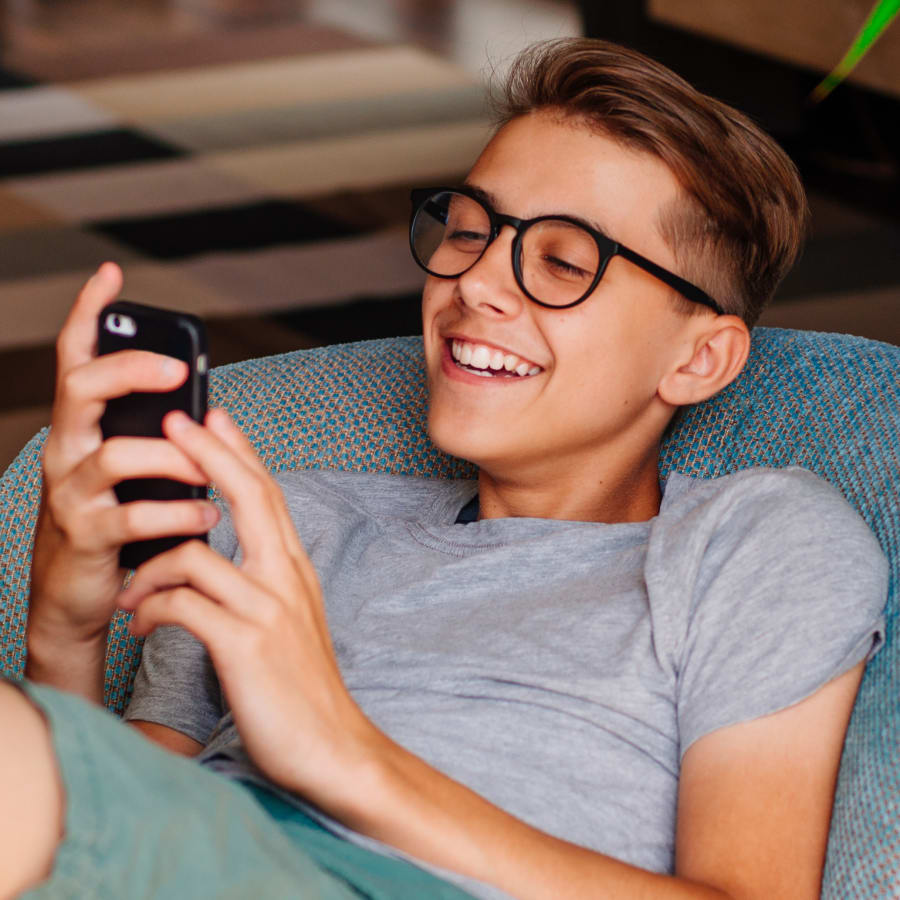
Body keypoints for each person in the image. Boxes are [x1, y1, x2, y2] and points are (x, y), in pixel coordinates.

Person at [2, 38, 887, 900]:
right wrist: (66, 629)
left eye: (563, 262)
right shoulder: (289, 524)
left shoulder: (754, 541)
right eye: (468, 232)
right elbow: (106, 827)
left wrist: (345, 756)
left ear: (698, 361)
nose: (475, 283)